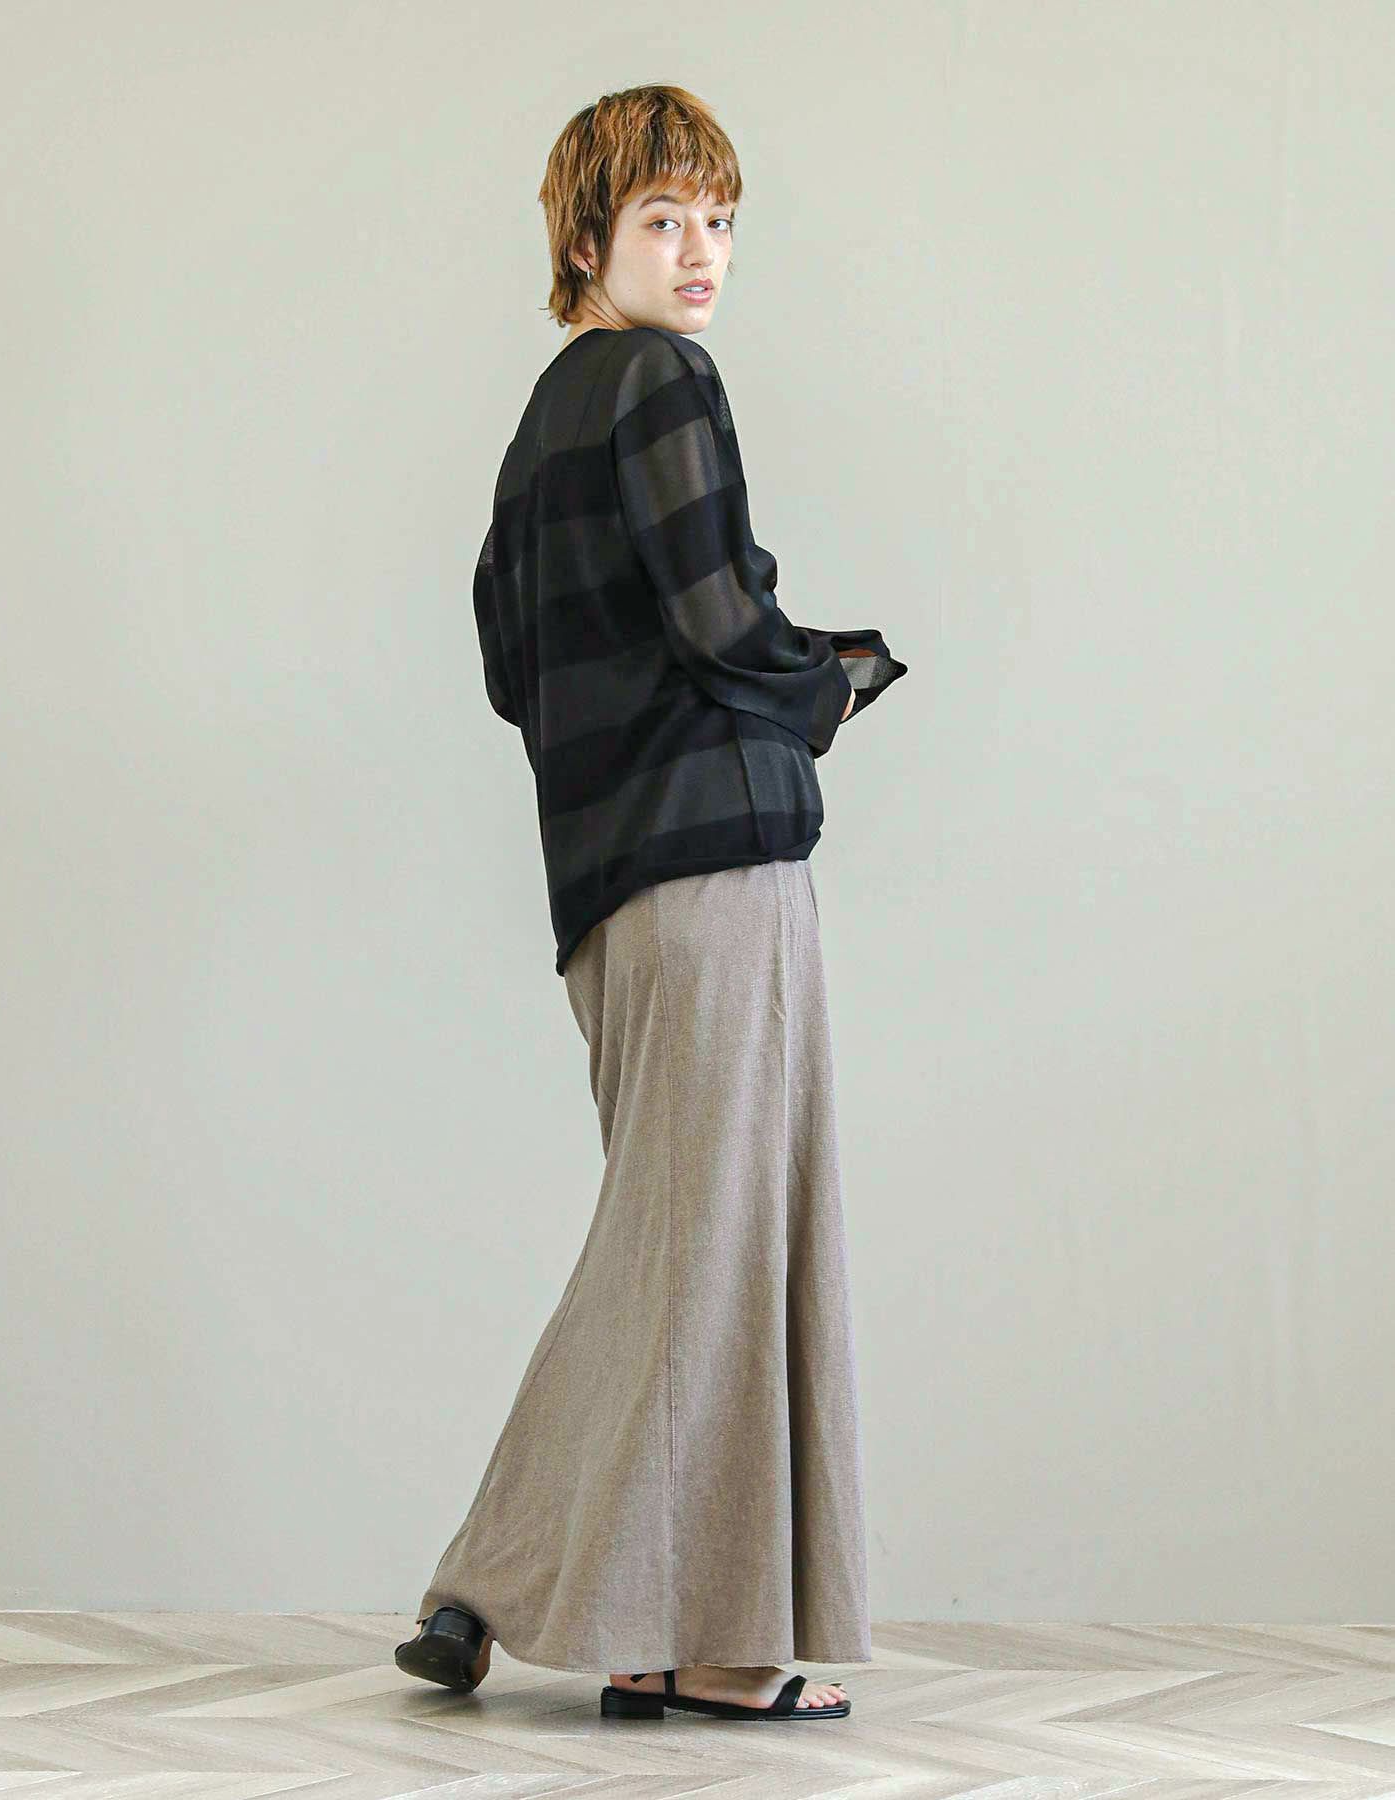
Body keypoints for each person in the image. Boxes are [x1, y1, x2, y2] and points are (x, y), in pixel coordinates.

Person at [396, 83, 907, 1724]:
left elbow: (511, 666)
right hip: (712, 871)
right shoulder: (663, 378)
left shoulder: (539, 426)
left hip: (608, 897)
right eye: (664, 219)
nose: (700, 253)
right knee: (714, 1243)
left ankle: (635, 1622)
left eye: (719, 220)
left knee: (680, 1238)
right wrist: (834, 677)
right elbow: (717, 617)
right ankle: (562, 1601)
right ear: (589, 239)